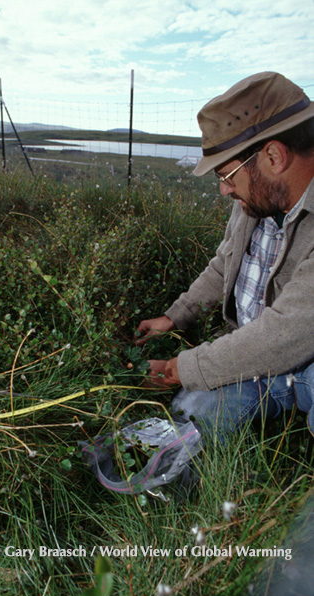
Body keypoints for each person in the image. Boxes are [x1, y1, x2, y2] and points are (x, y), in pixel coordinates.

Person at [135, 71, 314, 441]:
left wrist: (178, 368)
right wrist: (175, 316)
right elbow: (224, 263)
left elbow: (286, 333)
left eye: (227, 176)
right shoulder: (257, 201)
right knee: (188, 417)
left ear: (274, 156)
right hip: (253, 355)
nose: (223, 190)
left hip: (302, 360)